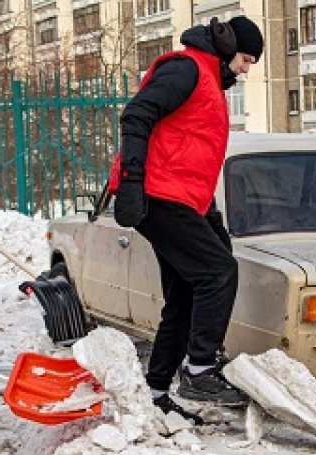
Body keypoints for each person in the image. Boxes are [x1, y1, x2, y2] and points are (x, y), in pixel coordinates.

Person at [109, 16, 263, 420]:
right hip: (157, 196)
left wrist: (209, 214)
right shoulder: (187, 69)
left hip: (179, 197)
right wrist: (131, 181)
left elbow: (188, 157)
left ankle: (155, 392)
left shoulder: (209, 82)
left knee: (184, 295)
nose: (247, 70)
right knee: (218, 272)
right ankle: (200, 368)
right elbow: (136, 115)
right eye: (246, 59)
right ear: (228, 46)